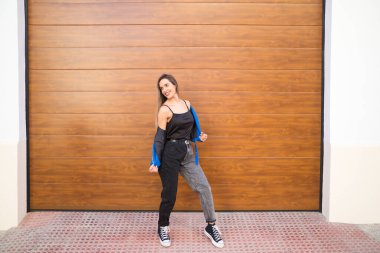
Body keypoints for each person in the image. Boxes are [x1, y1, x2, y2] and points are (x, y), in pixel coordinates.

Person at [148, 74, 224, 248]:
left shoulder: (187, 104)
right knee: (169, 194)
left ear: (175, 84)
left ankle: (211, 226)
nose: (165, 89)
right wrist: (155, 161)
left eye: (167, 85)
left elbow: (191, 129)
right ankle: (163, 226)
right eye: (161, 88)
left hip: (188, 154)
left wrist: (199, 136)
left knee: (204, 187)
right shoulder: (164, 110)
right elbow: (159, 138)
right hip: (170, 155)